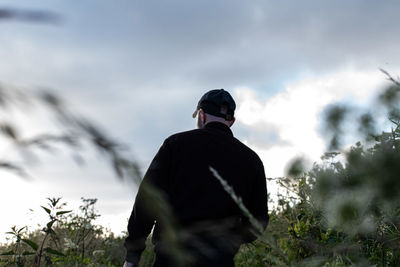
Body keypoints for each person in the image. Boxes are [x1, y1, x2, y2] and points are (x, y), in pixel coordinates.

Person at [124, 89, 269, 267]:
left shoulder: (174, 145)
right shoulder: (251, 160)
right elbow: (258, 220)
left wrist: (132, 256)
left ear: (201, 115)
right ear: (231, 121)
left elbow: (146, 202)